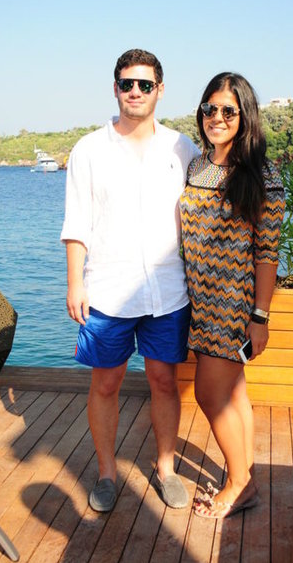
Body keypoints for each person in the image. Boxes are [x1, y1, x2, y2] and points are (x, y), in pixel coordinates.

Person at [61, 49, 200, 512]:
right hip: (108, 291)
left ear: (160, 89)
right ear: (115, 88)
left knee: (164, 380)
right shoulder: (89, 149)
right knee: (105, 383)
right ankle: (106, 473)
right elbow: (77, 222)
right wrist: (75, 283)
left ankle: (166, 469)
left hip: (169, 290)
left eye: (144, 84)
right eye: (127, 83)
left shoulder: (182, 148)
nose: (135, 92)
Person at [179, 72, 285, 518]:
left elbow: (268, 253)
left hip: (233, 305)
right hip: (199, 303)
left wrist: (259, 317)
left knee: (210, 394)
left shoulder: (261, 174)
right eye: (210, 108)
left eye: (228, 110)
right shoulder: (197, 166)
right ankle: (246, 477)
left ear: (245, 117)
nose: (217, 117)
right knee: (234, 394)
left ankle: (239, 483)